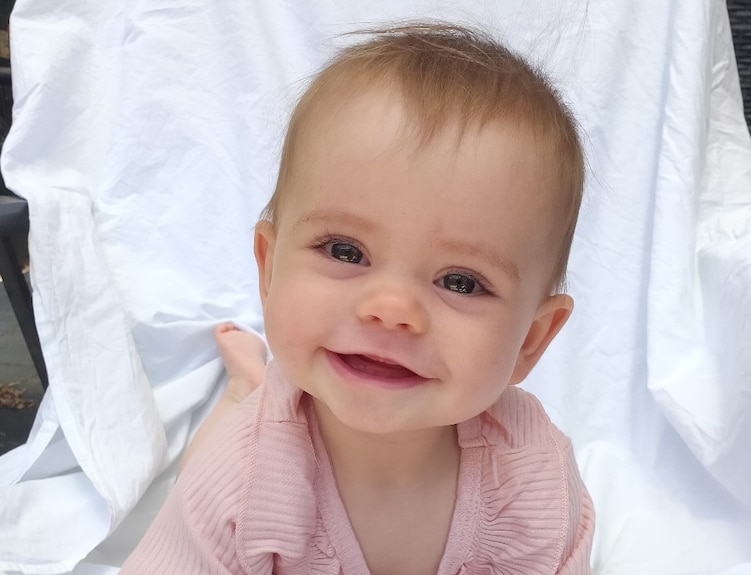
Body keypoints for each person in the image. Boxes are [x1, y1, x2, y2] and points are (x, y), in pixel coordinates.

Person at [121, 22, 595, 574]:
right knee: (224, 434)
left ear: (531, 341)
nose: (391, 308)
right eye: (346, 250)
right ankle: (244, 386)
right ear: (270, 268)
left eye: (461, 282)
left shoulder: (536, 479)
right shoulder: (237, 484)